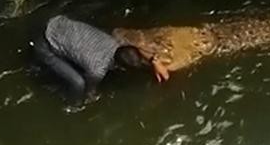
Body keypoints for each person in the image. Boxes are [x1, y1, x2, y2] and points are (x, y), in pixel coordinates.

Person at [31, 14, 170, 100]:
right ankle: (70, 106)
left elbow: (140, 48)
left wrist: (154, 61)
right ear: (120, 68)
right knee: (79, 84)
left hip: (57, 22)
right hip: (45, 45)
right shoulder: (98, 70)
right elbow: (90, 90)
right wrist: (92, 97)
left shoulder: (115, 41)